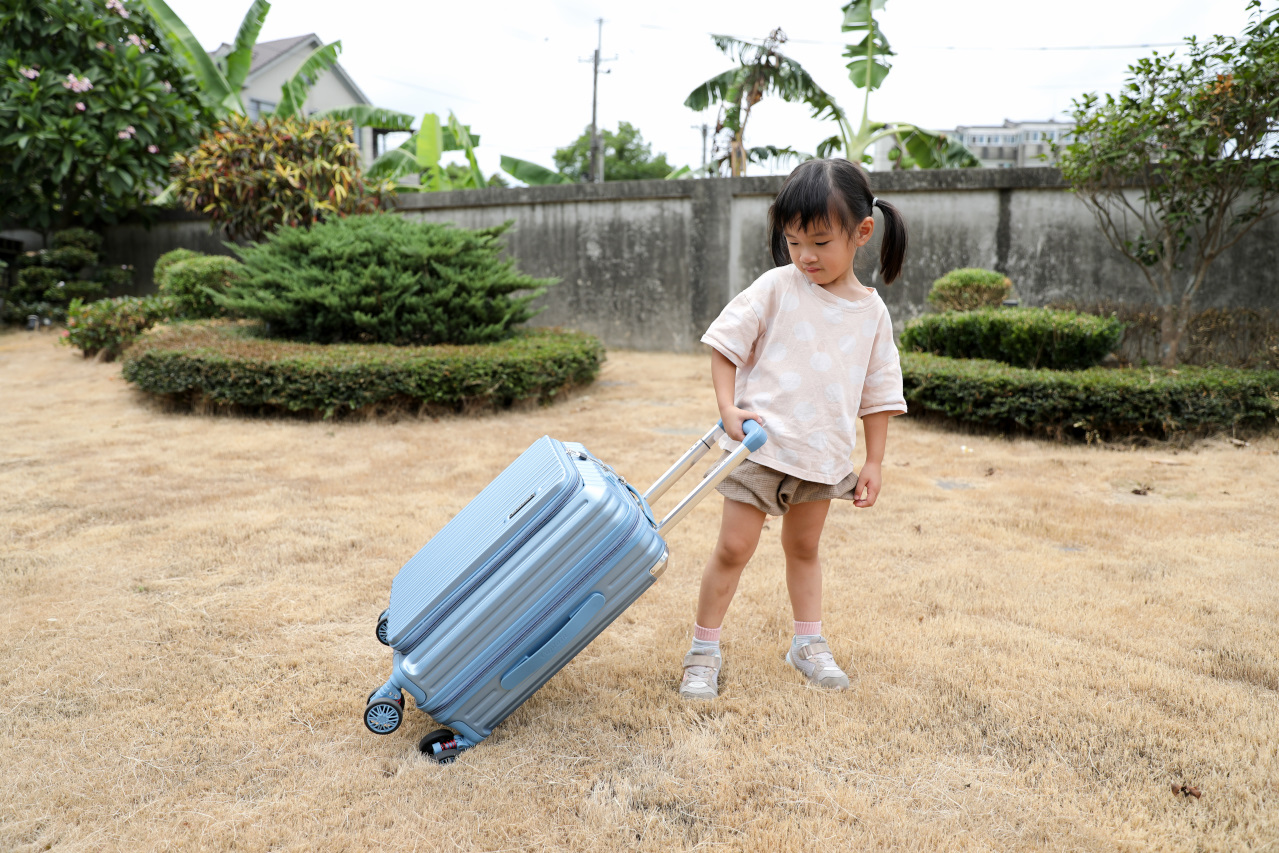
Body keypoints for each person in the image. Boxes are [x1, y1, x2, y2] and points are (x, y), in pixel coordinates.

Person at [679, 158, 909, 700]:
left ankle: (807, 643)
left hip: (823, 456)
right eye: (794, 241)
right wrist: (728, 408)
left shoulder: (872, 314)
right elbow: (724, 343)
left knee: (804, 549)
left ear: (862, 233)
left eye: (820, 242)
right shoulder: (778, 287)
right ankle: (703, 651)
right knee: (734, 548)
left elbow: (878, 394)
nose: (805, 256)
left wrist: (873, 461)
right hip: (759, 450)